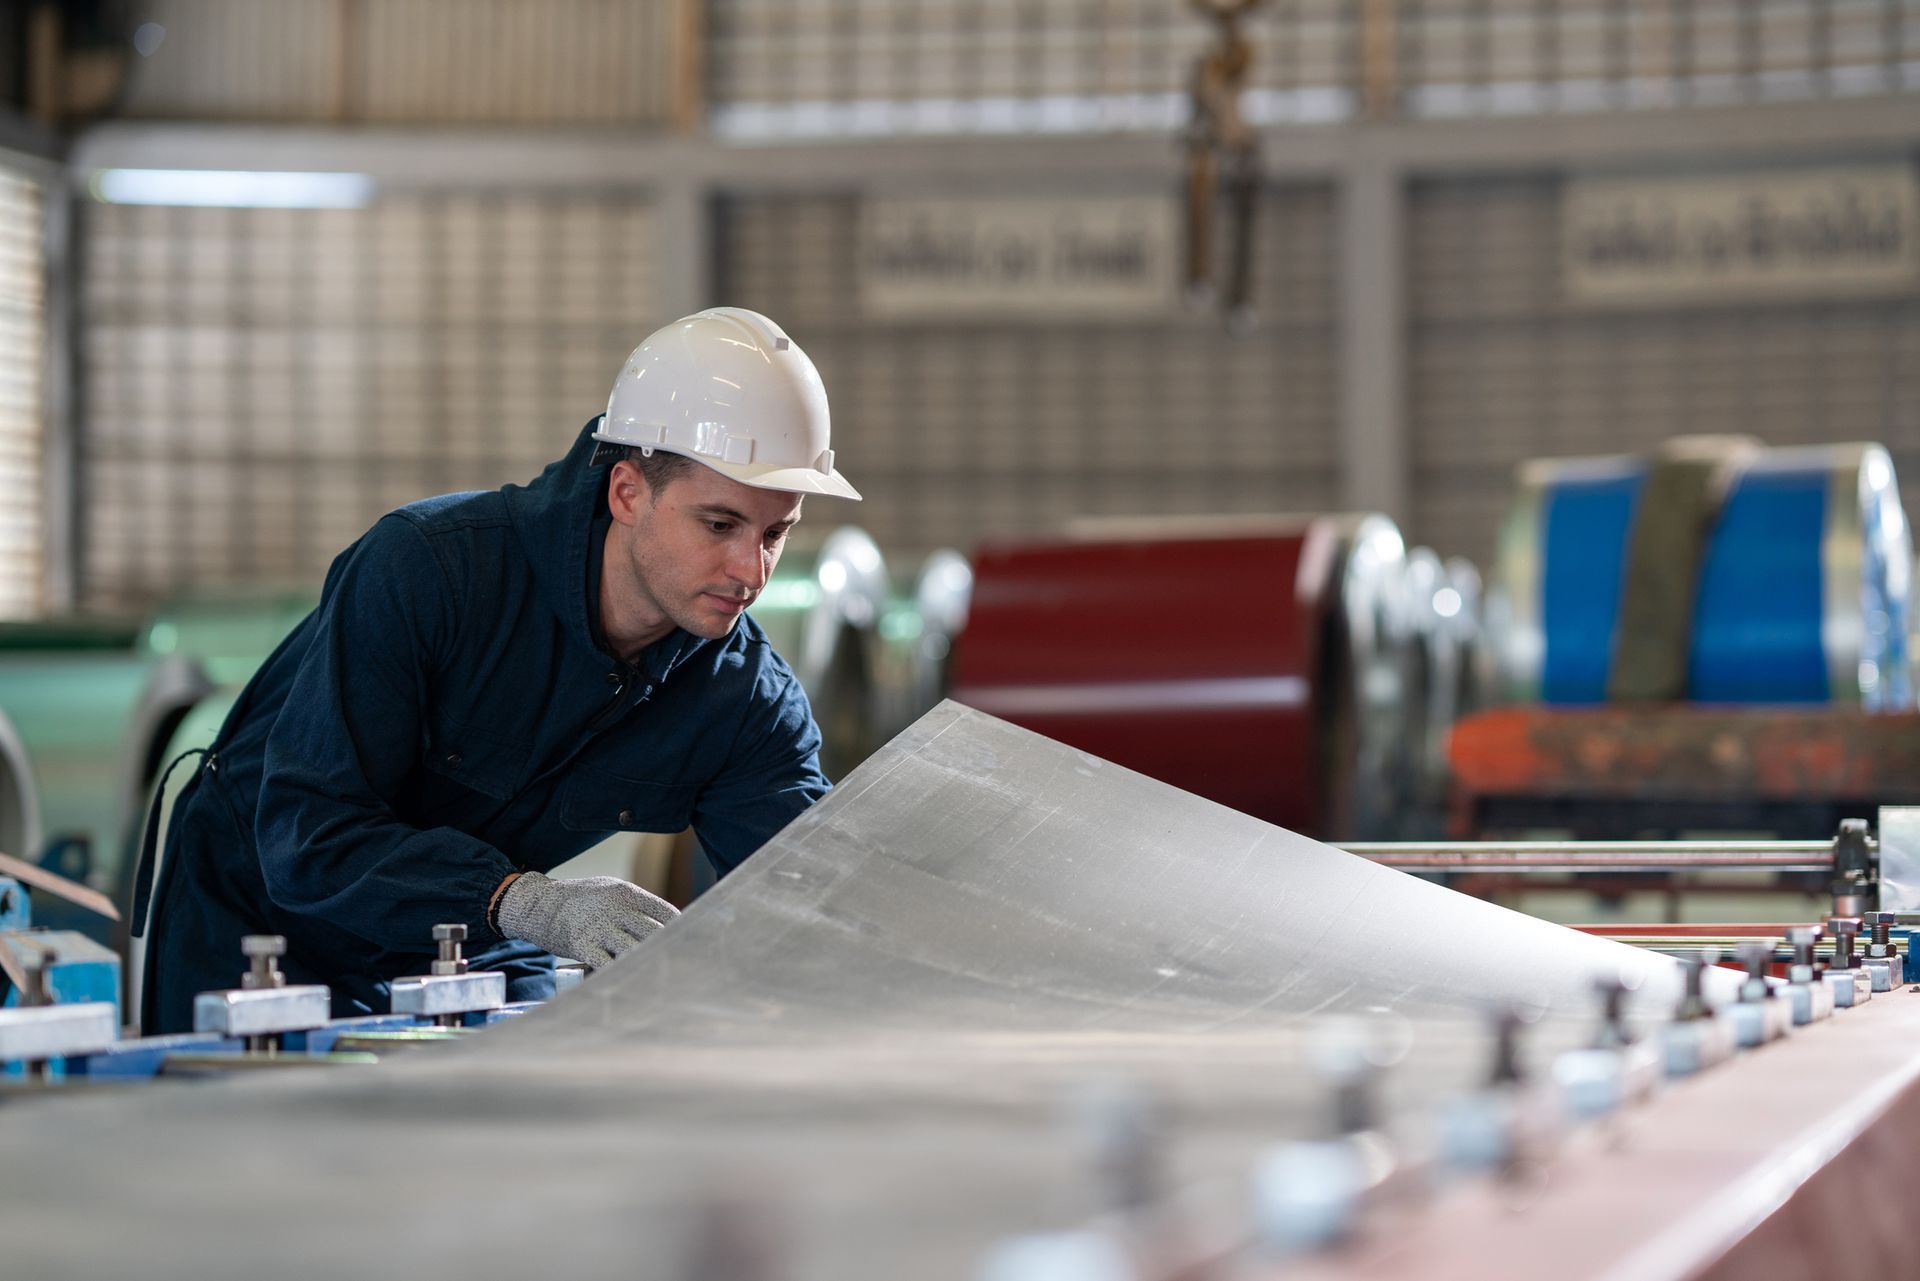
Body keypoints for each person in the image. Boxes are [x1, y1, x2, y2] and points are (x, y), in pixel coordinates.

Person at [136, 307, 860, 1034]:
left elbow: (804, 903)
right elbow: (309, 833)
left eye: (776, 533)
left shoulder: (743, 700)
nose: (751, 570)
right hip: (262, 922)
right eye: (720, 524)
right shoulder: (429, 572)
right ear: (627, 492)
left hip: (476, 932)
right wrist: (531, 904)